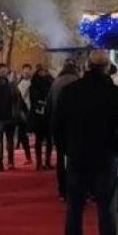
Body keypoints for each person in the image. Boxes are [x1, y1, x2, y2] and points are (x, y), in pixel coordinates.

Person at [54, 50, 118, 235]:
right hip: (106, 156)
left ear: (87, 66)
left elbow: (57, 125)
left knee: (74, 209)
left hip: (77, 155)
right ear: (107, 67)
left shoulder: (71, 91)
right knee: (106, 210)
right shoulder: (115, 93)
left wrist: (66, 149)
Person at [47, 61, 80, 199]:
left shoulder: (56, 83)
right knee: (77, 158)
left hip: (58, 124)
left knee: (61, 157)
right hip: (75, 125)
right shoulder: (78, 82)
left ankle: (62, 189)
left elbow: (49, 105)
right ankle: (76, 188)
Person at [28, 65, 55, 170]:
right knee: (38, 139)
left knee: (49, 140)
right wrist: (42, 103)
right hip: (38, 115)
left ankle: (47, 161)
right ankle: (39, 163)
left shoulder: (49, 83)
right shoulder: (33, 85)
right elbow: (33, 99)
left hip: (47, 115)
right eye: (41, 72)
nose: (42, 74)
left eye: (44, 71)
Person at [14, 64, 34, 164]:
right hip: (23, 111)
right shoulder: (19, 84)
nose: (26, 73)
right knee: (22, 134)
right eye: (25, 72)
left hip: (33, 110)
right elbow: (18, 99)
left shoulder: (34, 83)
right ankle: (28, 157)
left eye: (28, 71)